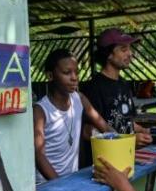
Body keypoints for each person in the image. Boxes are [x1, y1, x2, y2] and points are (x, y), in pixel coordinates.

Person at [34, 49, 112, 183]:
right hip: (47, 185)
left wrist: (125, 144)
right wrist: (60, 185)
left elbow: (105, 127)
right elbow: (39, 156)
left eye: (76, 72)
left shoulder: (79, 99)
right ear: (50, 75)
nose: (74, 77)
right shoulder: (40, 111)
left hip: (71, 180)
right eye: (67, 72)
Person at [80, 28, 152, 166]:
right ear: (109, 54)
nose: (130, 54)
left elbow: (124, 121)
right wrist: (129, 140)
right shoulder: (93, 88)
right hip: (104, 164)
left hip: (124, 157)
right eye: (124, 49)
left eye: (130, 49)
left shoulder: (124, 84)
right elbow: (87, 131)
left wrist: (143, 130)